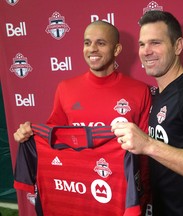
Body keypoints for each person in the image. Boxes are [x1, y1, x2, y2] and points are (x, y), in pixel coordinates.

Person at [13, 21, 151, 216]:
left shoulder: (139, 91)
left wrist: (143, 196)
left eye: (101, 43)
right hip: (76, 193)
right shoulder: (65, 88)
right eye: (87, 43)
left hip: (118, 197)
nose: (92, 49)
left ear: (117, 49)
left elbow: (144, 153)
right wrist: (28, 134)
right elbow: (53, 137)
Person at [112, 10, 183, 216]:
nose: (146, 51)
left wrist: (148, 144)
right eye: (142, 44)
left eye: (155, 42)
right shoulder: (161, 94)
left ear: (178, 46)